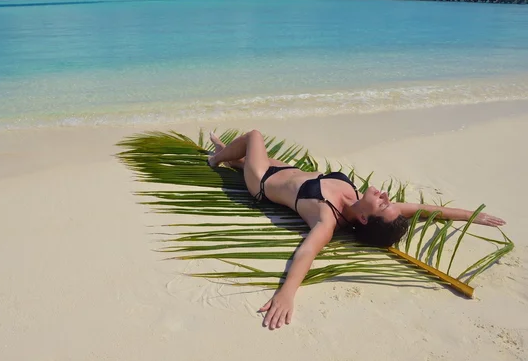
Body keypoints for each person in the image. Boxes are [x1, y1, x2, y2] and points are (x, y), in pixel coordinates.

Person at [207, 130, 506, 330]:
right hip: (284, 170)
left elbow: (307, 252)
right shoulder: (363, 204)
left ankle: (216, 158)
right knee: (245, 157)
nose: (387, 198)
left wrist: (287, 293)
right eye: (388, 202)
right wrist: (471, 215)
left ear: (365, 219)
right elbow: (425, 210)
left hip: (261, 182)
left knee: (254, 135)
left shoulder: (327, 217)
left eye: (383, 204)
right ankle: (231, 157)